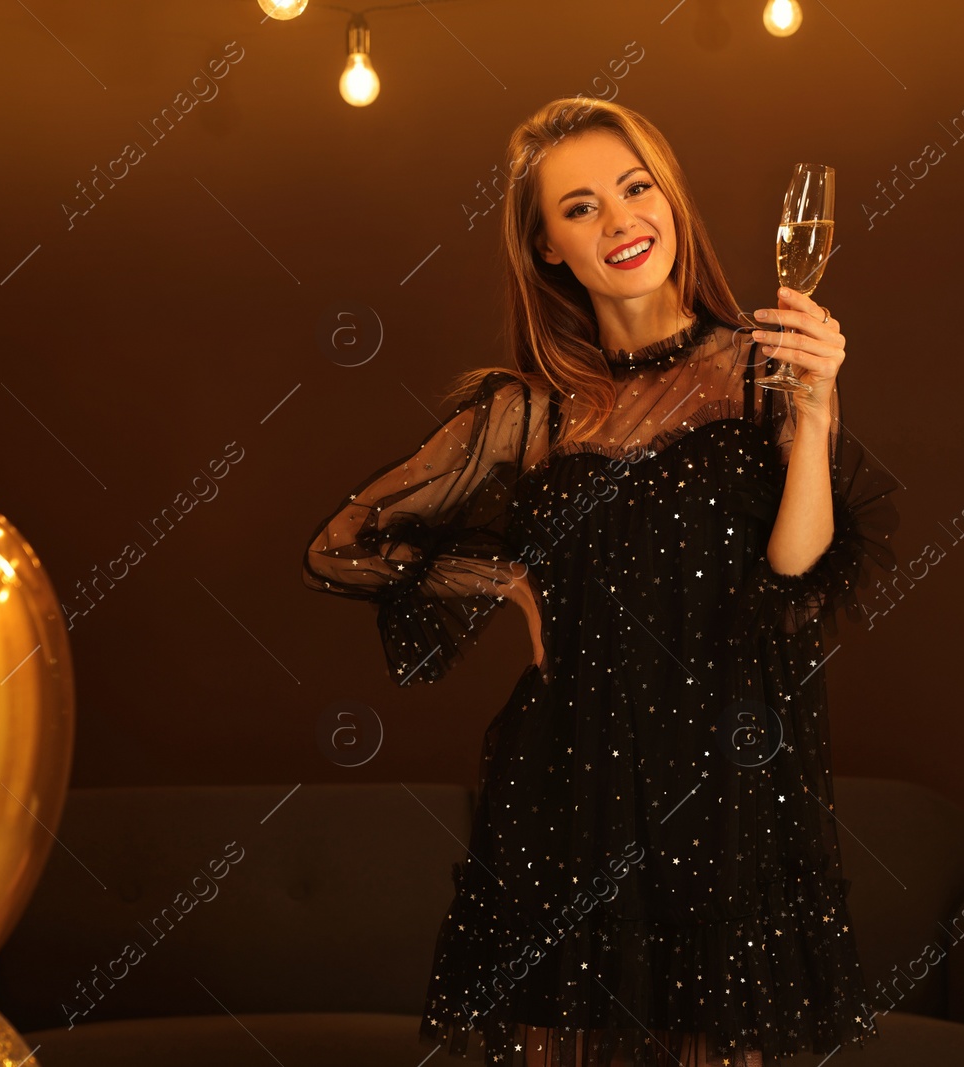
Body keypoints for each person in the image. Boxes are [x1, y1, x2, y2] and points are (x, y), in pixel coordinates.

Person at [301, 95, 900, 1067]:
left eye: (634, 188)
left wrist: (818, 410)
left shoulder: (757, 370)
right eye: (580, 208)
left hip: (723, 784)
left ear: (670, 200)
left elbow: (796, 568)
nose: (621, 220)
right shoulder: (525, 413)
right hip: (568, 789)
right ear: (546, 248)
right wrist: (506, 583)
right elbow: (341, 543)